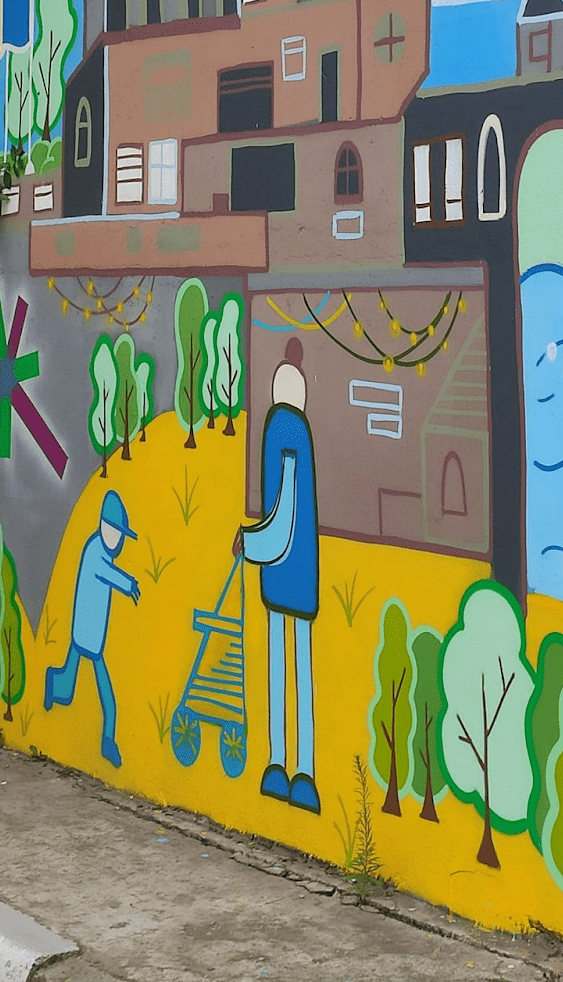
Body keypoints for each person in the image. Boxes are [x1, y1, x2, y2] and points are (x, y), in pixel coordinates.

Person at [235, 339, 320, 813]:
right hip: (301, 574)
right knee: (298, 666)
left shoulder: (282, 429)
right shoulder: (297, 429)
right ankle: (300, 769)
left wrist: (251, 544)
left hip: (282, 568)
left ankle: (282, 764)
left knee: (281, 664)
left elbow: (283, 511)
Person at [44, 487, 140, 767]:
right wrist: (129, 583)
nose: (118, 540)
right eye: (116, 533)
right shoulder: (95, 551)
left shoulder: (101, 551)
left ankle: (54, 682)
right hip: (86, 634)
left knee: (69, 686)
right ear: (104, 527)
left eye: (120, 535)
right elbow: (107, 574)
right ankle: (108, 740)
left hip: (90, 635)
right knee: (102, 694)